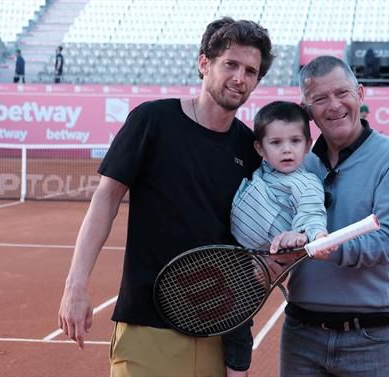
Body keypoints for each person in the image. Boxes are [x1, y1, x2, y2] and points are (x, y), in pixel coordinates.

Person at [56, 17, 274, 377]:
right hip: (146, 327)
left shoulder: (249, 150)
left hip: (216, 331)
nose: (240, 77)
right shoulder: (152, 121)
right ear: (204, 63)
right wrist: (75, 286)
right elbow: (105, 200)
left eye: (250, 71)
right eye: (230, 64)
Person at [278, 55, 389, 377]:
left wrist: (328, 247)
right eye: (320, 99)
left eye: (342, 93)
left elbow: (387, 242)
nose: (334, 105)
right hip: (301, 335)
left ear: (360, 93)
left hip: (372, 339)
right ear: (306, 108)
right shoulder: (296, 165)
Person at [229, 100, 328, 374]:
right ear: (260, 149)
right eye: (276, 142)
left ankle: (237, 372)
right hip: (234, 256)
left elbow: (312, 213)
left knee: (234, 324)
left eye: (295, 141)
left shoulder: (306, 182)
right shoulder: (262, 171)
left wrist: (307, 234)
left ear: (307, 145)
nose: (287, 149)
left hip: (258, 266)